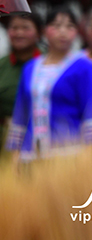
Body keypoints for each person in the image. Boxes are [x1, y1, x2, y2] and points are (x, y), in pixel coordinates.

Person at [4, 7, 92, 161]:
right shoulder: (30, 68)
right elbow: (21, 115)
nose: (63, 32)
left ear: (77, 33)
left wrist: (89, 157)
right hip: (30, 156)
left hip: (70, 156)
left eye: (69, 26)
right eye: (56, 26)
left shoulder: (84, 67)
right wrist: (15, 157)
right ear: (45, 32)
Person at [0, 12, 42, 147]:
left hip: (43, 137)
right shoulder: (2, 65)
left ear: (39, 33)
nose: (19, 33)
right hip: (5, 141)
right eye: (14, 28)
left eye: (25, 28)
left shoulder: (49, 64)